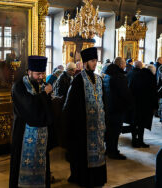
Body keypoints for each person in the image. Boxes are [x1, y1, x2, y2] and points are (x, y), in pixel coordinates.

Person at [63, 47, 107, 187]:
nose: (95, 63)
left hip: (98, 126)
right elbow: (70, 105)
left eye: (96, 60)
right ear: (85, 62)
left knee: (99, 152)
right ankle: (84, 179)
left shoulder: (99, 80)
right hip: (83, 127)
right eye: (92, 61)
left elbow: (103, 100)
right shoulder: (77, 81)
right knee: (82, 154)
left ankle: (97, 179)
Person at [10, 56, 53, 188]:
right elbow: (29, 107)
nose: (41, 77)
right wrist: (45, 95)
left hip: (41, 136)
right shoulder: (19, 86)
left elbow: (47, 109)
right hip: (23, 134)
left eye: (42, 74)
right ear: (29, 72)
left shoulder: (42, 86)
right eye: (38, 74)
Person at [103, 57, 133, 160]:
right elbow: (124, 93)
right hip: (117, 107)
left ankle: (109, 149)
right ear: (120, 65)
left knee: (110, 130)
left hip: (109, 107)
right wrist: (129, 103)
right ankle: (113, 152)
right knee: (115, 131)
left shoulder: (107, 74)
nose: (125, 66)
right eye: (124, 64)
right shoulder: (119, 76)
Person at [127, 61, 158, 148]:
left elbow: (130, 88)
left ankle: (134, 141)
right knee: (142, 124)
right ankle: (140, 141)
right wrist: (155, 106)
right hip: (145, 105)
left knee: (134, 122)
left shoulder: (135, 74)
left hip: (135, 103)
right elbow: (153, 92)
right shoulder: (151, 77)